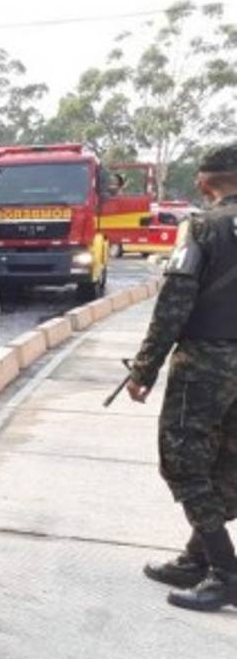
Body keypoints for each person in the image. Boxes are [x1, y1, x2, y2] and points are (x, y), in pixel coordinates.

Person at [127, 142, 237, 612]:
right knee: (228, 462)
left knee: (185, 463)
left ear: (205, 180)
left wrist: (144, 367)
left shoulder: (204, 227)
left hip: (208, 362)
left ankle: (226, 573)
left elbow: (174, 302)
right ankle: (198, 557)